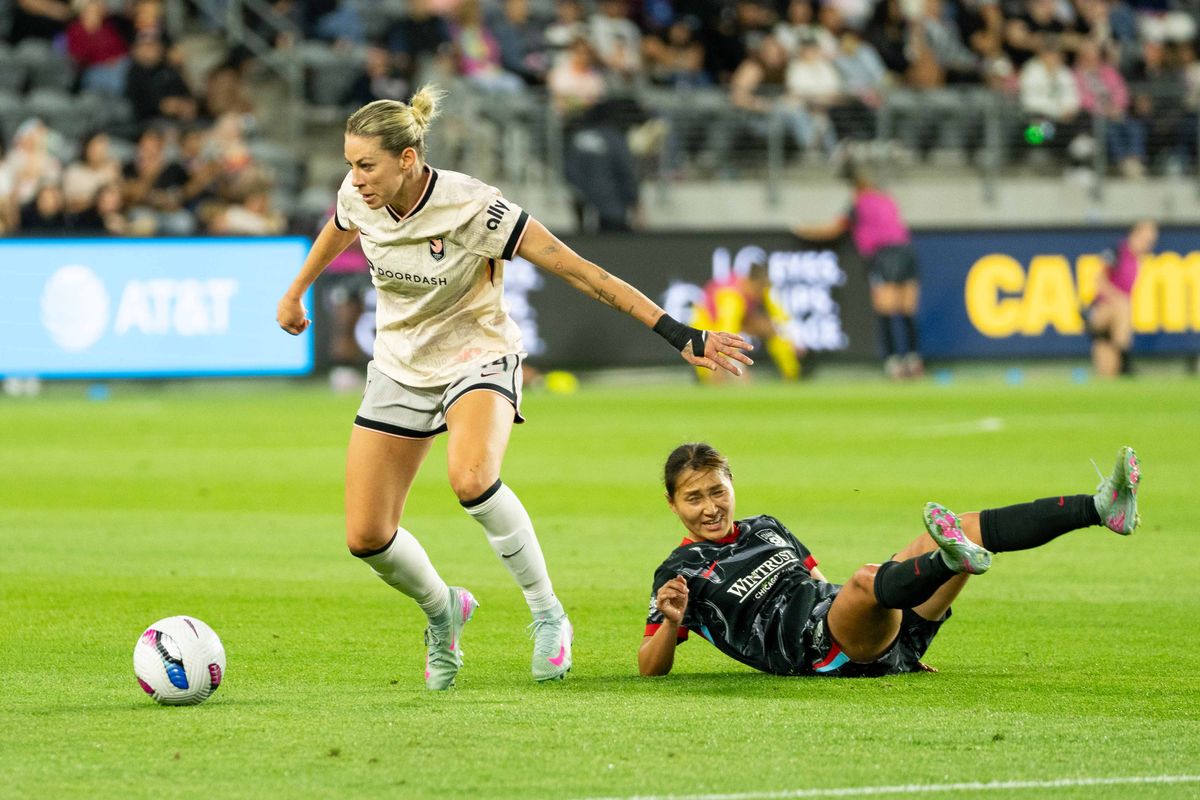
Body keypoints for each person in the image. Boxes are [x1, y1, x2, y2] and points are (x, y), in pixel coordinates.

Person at [275, 86, 752, 691]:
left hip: (479, 354)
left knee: (470, 477)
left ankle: (548, 613)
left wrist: (678, 332)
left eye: (366, 163)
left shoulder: (476, 207)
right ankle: (441, 609)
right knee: (366, 536)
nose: (354, 177)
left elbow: (581, 270)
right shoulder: (359, 193)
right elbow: (340, 227)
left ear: (408, 157)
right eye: (350, 163)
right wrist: (296, 289)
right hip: (399, 364)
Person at [639, 442, 1140, 678]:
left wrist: (886, 637)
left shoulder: (766, 526)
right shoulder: (677, 575)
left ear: (732, 485)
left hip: (864, 626)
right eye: (693, 498)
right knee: (866, 579)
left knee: (960, 525)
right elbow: (648, 669)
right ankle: (950, 561)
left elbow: (819, 583)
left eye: (717, 491)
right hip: (816, 652)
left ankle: (1099, 508)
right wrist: (671, 623)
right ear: (673, 504)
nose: (709, 508)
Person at [794, 165, 922, 379]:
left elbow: (833, 230)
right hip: (907, 252)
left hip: (885, 256)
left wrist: (803, 229)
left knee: (886, 310)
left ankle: (894, 363)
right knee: (908, 310)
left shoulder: (858, 203)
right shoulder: (887, 199)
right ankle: (914, 360)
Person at [690, 258, 802, 382]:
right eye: (759, 289)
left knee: (771, 328)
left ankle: (792, 377)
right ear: (750, 282)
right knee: (715, 368)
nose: (760, 294)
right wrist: (739, 370)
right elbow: (726, 334)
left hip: (740, 319)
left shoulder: (760, 287)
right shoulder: (732, 297)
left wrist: (793, 340)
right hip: (706, 322)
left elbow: (780, 318)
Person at [1086, 220, 1157, 378]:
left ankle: (1122, 358)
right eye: (1145, 239)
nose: (1148, 243)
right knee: (1124, 306)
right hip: (1100, 312)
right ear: (1134, 234)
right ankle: (1126, 358)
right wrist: (1118, 298)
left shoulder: (1139, 261)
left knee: (1109, 374)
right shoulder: (1117, 251)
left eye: (1151, 241)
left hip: (1114, 326)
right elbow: (1099, 281)